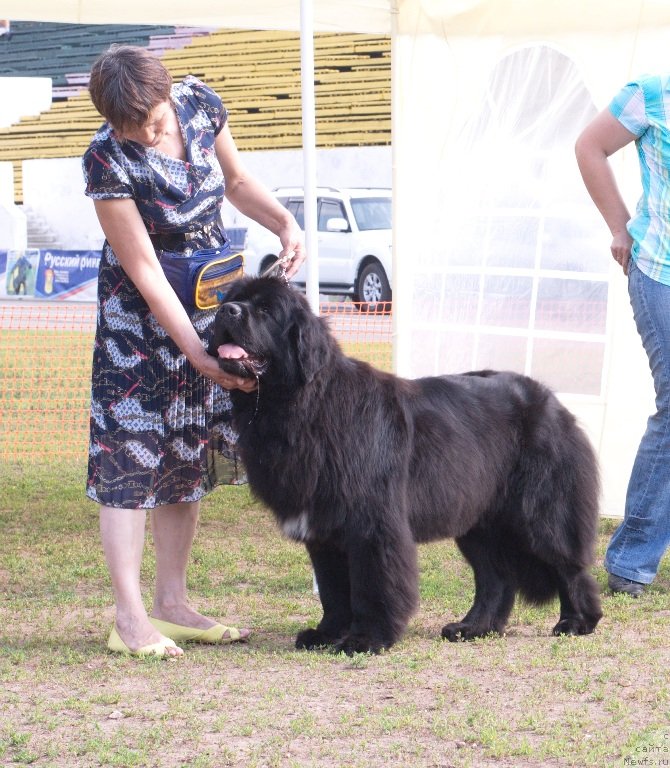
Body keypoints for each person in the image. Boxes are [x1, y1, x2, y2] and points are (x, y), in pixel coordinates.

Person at [83, 44, 305, 656]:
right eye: (132, 128)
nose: (147, 134)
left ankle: (172, 604)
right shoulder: (105, 159)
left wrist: (284, 222)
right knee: (130, 459)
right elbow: (145, 270)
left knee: (186, 454)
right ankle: (129, 619)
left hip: (211, 305)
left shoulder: (202, 105)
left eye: (153, 120)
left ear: (168, 94)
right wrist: (196, 353)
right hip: (139, 328)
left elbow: (236, 181)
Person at [575, 73, 670, 598]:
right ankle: (632, 560)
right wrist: (619, 225)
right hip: (661, 271)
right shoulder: (652, 92)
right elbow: (590, 147)